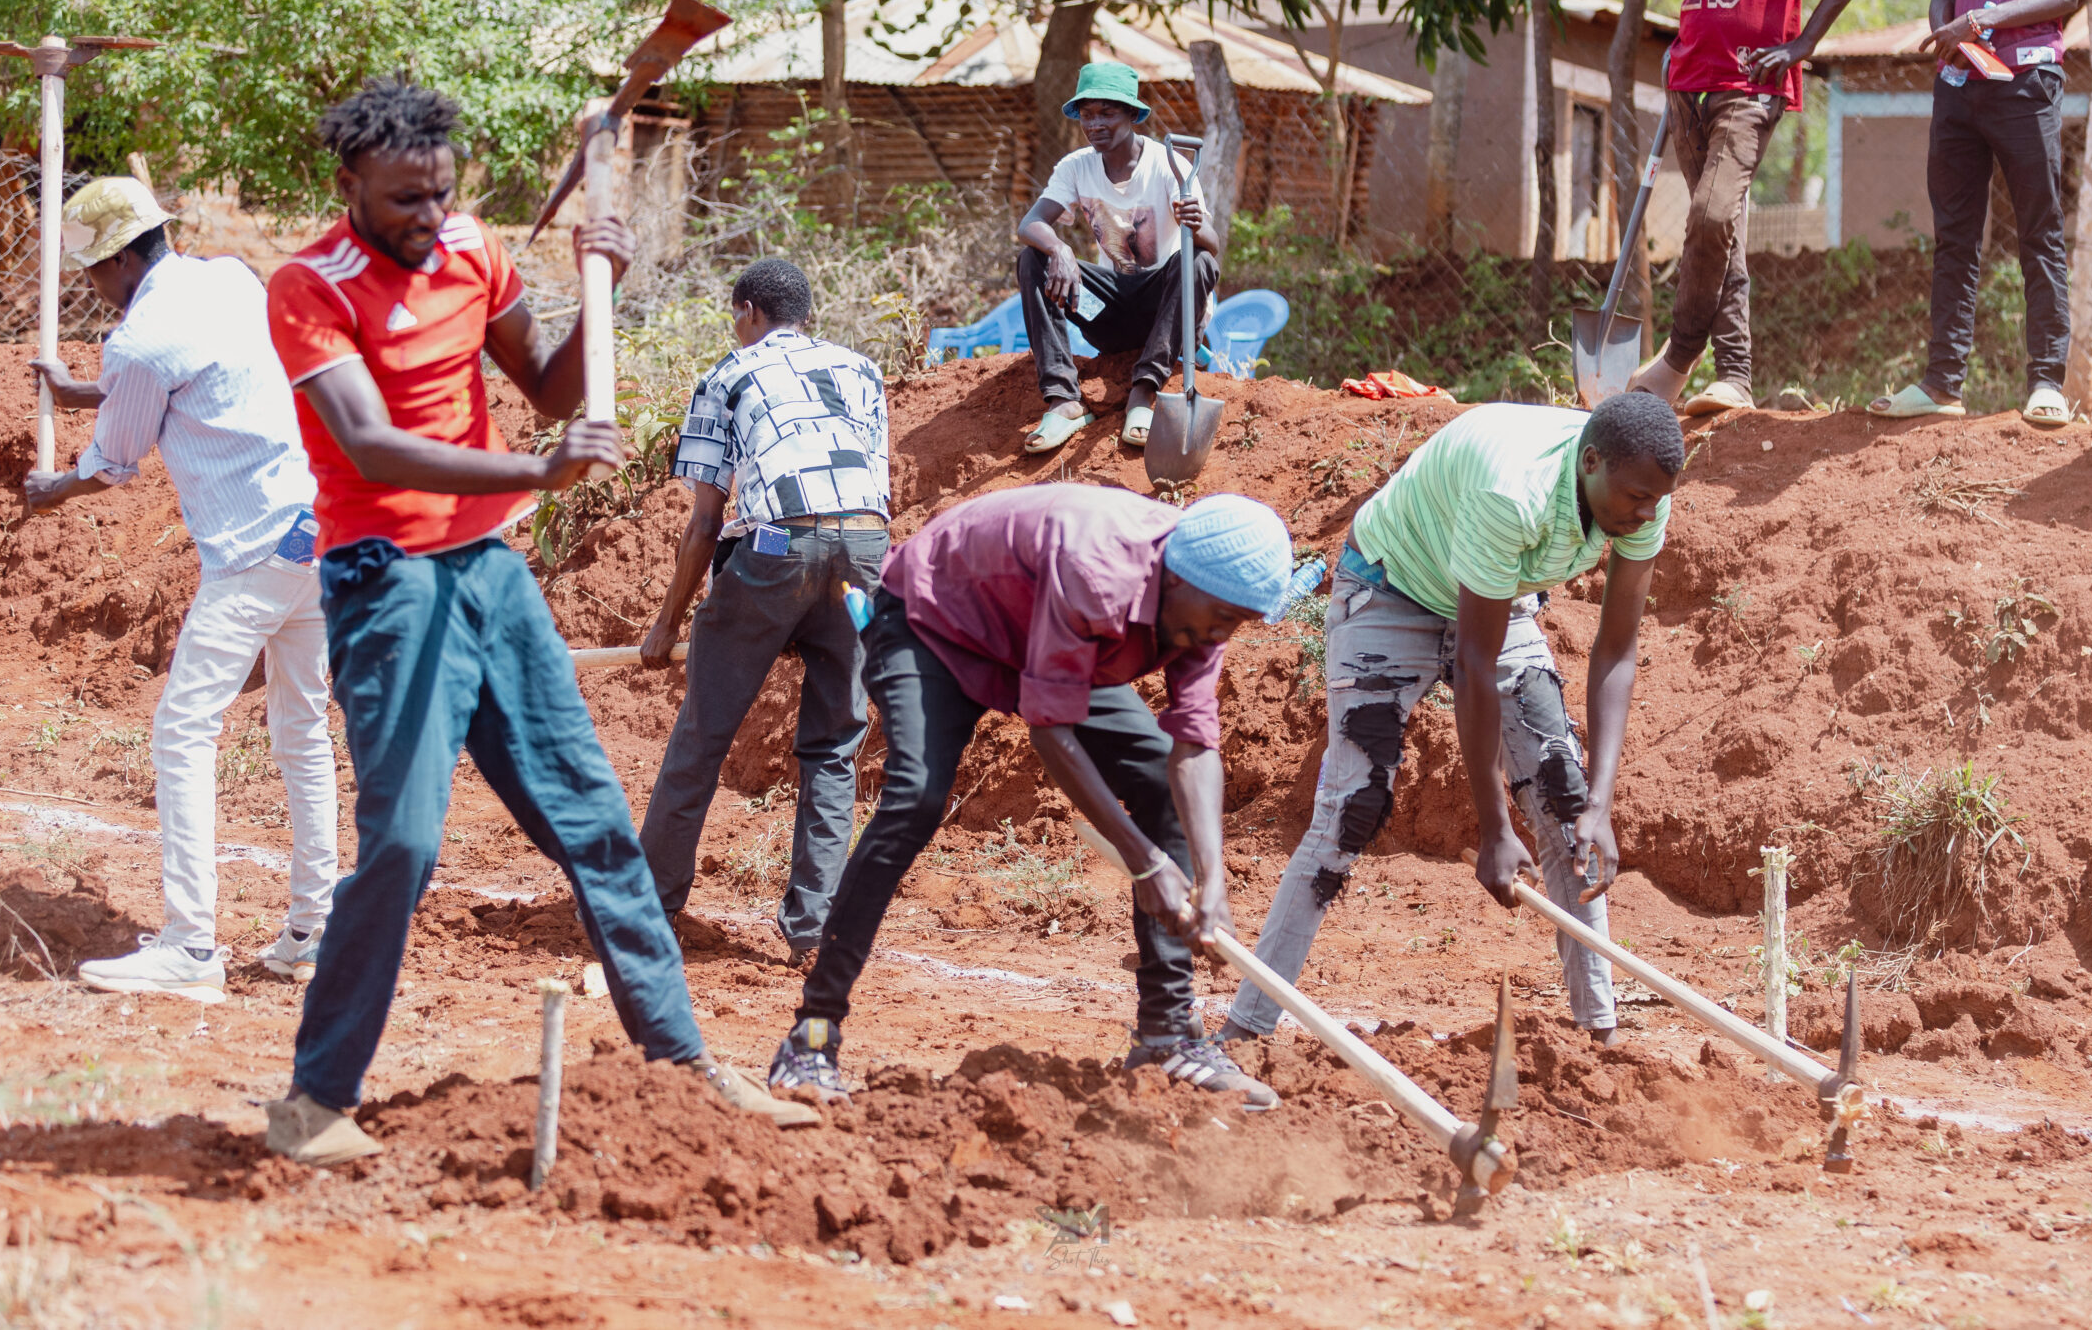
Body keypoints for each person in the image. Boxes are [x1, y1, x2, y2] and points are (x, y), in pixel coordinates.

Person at [261, 77, 810, 1167]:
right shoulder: (306, 287)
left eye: (441, 194)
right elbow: (369, 446)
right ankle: (314, 1102)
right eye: (403, 200)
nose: (428, 217)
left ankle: (682, 1062)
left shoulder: (469, 249)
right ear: (349, 187)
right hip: (385, 582)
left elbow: (553, 390)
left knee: (594, 826)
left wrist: (597, 281)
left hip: (489, 576)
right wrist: (533, 471)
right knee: (406, 843)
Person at [766, 487, 1294, 1111]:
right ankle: (812, 1036)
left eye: (1234, 624)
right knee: (915, 797)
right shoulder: (1099, 570)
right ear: (1178, 576)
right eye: (1222, 618)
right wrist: (1148, 863)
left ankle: (1167, 1035)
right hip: (934, 622)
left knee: (1157, 775)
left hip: (1038, 638)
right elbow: (1050, 729)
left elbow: (1194, 745)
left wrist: (1212, 882)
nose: (1219, 636)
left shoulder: (1203, 604)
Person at [1217, 393, 1682, 1050]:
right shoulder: (1512, 493)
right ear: (1591, 462)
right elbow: (1473, 661)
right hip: (1390, 587)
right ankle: (1244, 1030)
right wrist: (1493, 828)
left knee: (1566, 800)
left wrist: (1599, 804)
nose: (1643, 514)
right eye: (1634, 497)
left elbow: (1616, 649)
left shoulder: (1646, 493)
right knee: (1352, 805)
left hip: (1497, 592)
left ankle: (1597, 1041)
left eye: (1654, 501)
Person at [25, 179, 338, 1003]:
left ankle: (192, 947)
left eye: (95, 268)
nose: (92, 284)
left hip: (252, 549)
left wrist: (57, 486)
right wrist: (82, 391)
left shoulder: (139, 340)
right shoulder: (230, 277)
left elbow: (116, 459)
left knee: (182, 730)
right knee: (301, 724)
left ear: (124, 257)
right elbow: (198, 379)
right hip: (316, 525)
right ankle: (315, 926)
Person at [635, 257, 889, 960]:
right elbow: (857, 496)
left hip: (778, 547)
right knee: (836, 747)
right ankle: (816, 929)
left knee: (703, 734)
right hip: (868, 553)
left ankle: (649, 910)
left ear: (748, 310)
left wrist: (665, 624)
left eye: (733, 314)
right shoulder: (862, 370)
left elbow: (705, 523)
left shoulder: (728, 374)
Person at [1628, 0, 1876, 416]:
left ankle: (1679, 357)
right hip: (1688, 83)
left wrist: (1802, 45)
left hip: (1750, 84)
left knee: (1711, 214)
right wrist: (1677, 57)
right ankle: (1734, 376)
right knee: (1723, 230)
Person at [1869, 0, 2092, 428]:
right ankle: (1942, 384)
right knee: (1955, 235)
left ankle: (2047, 382)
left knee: (2039, 230)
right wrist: (1945, 23)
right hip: (1958, 82)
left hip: (2027, 78)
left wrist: (1986, 17)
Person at [1015, 62, 1217, 455]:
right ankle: (1064, 400)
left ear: (1131, 115)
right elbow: (1031, 222)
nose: (1095, 125)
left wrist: (1197, 223)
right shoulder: (1076, 167)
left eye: (1107, 113)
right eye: (1087, 115)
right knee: (1032, 259)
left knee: (1199, 262)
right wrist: (1059, 249)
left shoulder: (1166, 164)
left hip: (1164, 314)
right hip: (1105, 316)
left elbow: (1213, 245)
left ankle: (1143, 393)